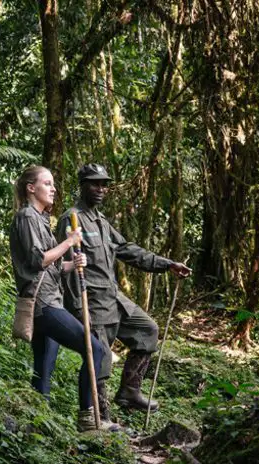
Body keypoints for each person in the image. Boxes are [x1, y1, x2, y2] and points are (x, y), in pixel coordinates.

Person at [56, 163, 192, 419]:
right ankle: (100, 419)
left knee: (147, 330)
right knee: (100, 359)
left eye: (104, 184)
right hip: (92, 300)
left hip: (113, 296)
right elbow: (67, 265)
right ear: (82, 185)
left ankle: (130, 391)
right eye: (95, 183)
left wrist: (167, 264)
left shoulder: (101, 221)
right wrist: (76, 307)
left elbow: (128, 250)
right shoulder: (72, 218)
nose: (100, 189)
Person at [8, 165, 115, 432]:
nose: (54, 188)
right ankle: (88, 418)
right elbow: (37, 260)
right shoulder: (27, 217)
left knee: (43, 368)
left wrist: (71, 263)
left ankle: (36, 427)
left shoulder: (41, 218)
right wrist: (68, 243)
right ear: (31, 188)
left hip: (48, 299)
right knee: (97, 351)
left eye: (53, 183)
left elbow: (50, 267)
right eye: (47, 183)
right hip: (43, 304)